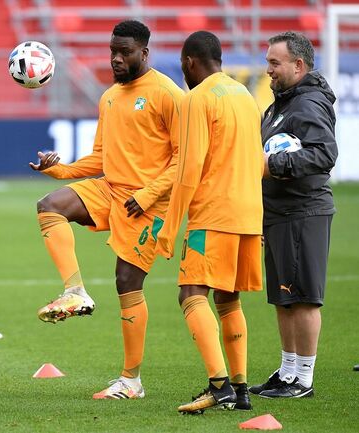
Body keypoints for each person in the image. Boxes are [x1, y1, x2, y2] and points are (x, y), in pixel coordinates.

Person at [30, 20, 184, 399]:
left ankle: (131, 381)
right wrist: (59, 170)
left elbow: (185, 159)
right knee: (50, 206)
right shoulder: (110, 96)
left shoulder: (168, 94)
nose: (115, 58)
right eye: (113, 51)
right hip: (111, 189)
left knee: (126, 282)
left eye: (124, 52)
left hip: (149, 204)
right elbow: (101, 157)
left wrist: (148, 194)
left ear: (144, 53)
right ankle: (75, 291)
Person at [155, 31, 264, 414]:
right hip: (249, 215)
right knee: (228, 298)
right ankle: (241, 389)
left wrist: (169, 228)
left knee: (191, 293)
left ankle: (219, 386)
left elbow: (188, 170)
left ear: (189, 62)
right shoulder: (245, 95)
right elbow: (258, 161)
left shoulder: (197, 98)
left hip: (214, 215)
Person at [249, 31, 337, 399]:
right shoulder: (279, 106)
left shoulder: (308, 104)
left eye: (274, 62)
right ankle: (287, 372)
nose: (268, 69)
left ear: (298, 65)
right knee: (284, 297)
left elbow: (324, 154)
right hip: (279, 213)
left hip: (303, 211)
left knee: (302, 297)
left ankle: (303, 379)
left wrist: (274, 164)